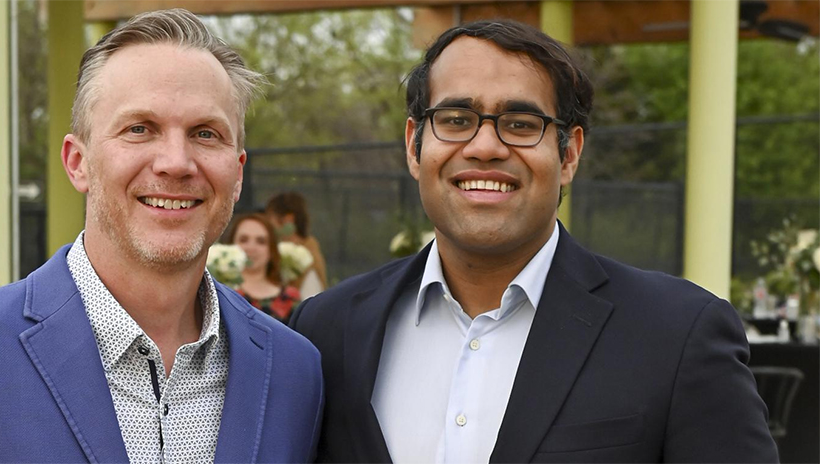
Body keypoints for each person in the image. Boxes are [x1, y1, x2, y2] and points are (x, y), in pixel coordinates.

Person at [290, 19, 777, 463]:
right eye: (456, 119)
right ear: (415, 145)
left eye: (521, 125)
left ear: (569, 155)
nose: (484, 147)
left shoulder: (679, 335)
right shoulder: (326, 331)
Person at [0, 9, 323, 463]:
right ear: (77, 162)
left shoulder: (292, 372)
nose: (176, 162)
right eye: (139, 129)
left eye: (206, 134)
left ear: (237, 172)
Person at [226, 213, 301, 323]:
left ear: (271, 249)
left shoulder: (290, 297)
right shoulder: (218, 291)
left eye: (261, 241)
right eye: (243, 240)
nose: (251, 248)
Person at [265, 192, 328, 298]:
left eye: (270, 217)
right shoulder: (275, 247)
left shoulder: (308, 253)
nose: (267, 222)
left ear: (288, 218)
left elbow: (311, 295)